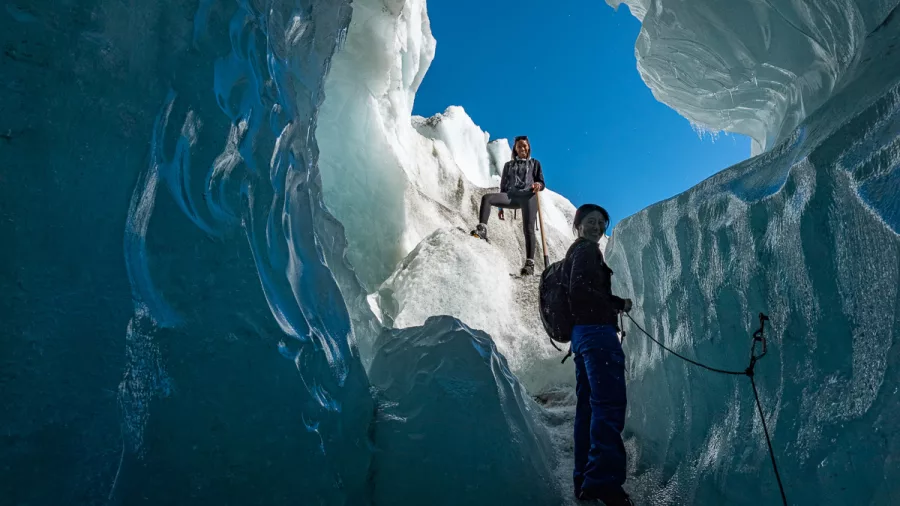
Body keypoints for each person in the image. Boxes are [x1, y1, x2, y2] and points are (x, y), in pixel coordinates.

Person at [563, 203, 634, 505]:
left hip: (582, 336)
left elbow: (579, 290)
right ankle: (603, 482)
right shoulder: (586, 251)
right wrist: (616, 304)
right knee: (607, 405)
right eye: (591, 221)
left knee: (589, 409)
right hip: (596, 334)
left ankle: (585, 480)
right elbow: (579, 291)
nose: (596, 227)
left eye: (601, 223)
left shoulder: (574, 252)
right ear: (578, 224)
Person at [470, 135, 545, 275]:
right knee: (487, 198)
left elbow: (541, 182)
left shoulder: (535, 163)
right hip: (512, 197)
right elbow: (503, 186)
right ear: (515, 149)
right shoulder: (508, 165)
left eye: (524, 145)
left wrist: (538, 185)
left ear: (528, 147)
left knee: (528, 228)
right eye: (519, 146)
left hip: (529, 197)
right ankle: (482, 229)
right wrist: (500, 207)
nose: (522, 148)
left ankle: (530, 264)